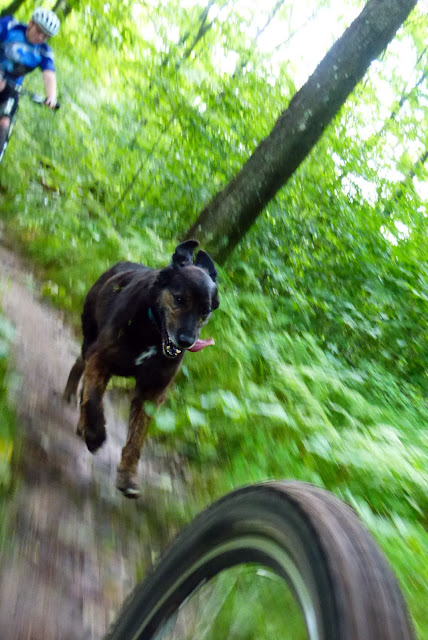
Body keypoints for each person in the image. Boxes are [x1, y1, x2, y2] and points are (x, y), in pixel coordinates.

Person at [0, 8, 60, 151]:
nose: (40, 38)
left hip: (12, 87)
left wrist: (51, 97)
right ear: (30, 23)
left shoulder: (43, 51)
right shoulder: (10, 26)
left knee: (5, 122)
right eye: (39, 31)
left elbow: (49, 74)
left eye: (45, 36)